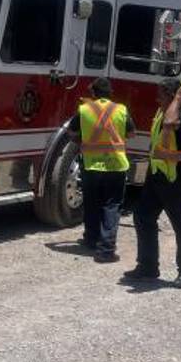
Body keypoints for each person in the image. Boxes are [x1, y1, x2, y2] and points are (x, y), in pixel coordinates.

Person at [123, 78, 181, 288]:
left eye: (162, 95)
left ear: (173, 96)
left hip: (178, 180)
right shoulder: (165, 110)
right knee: (142, 217)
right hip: (158, 176)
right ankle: (148, 267)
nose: (157, 98)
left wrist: (178, 97)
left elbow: (170, 124)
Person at [67, 77, 135, 264]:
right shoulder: (121, 109)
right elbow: (131, 133)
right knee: (111, 205)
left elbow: (71, 132)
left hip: (91, 164)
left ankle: (90, 239)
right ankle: (106, 250)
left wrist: (82, 141)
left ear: (94, 93)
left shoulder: (84, 109)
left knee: (91, 202)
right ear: (110, 93)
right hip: (116, 165)